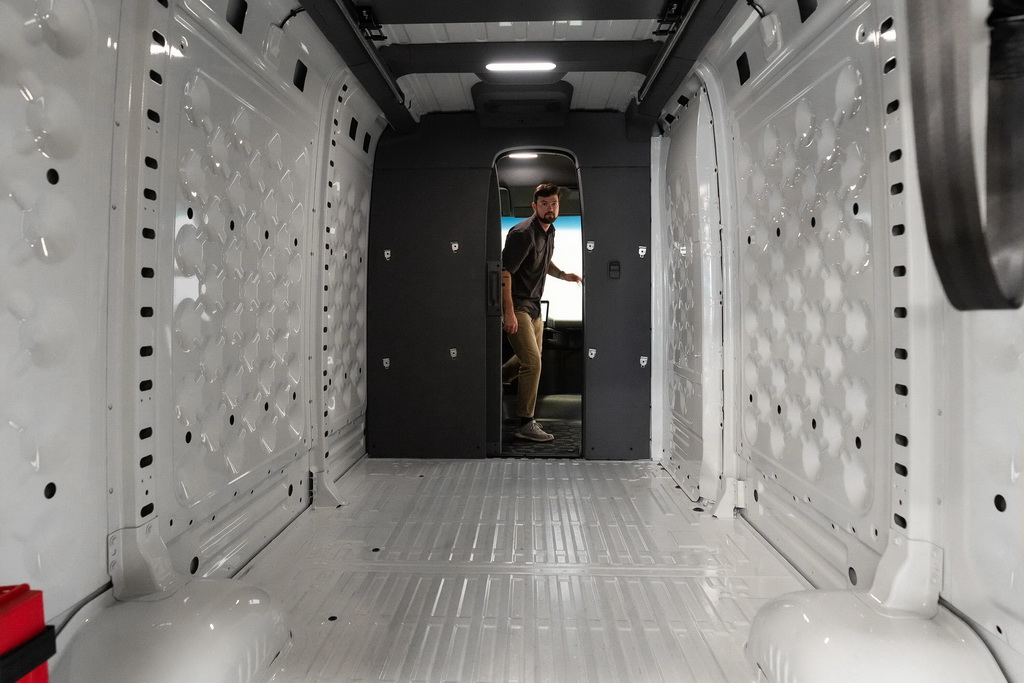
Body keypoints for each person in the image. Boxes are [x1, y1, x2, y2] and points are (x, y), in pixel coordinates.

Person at [500, 183, 582, 442]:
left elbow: (543, 261)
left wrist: (564, 275)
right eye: (544, 204)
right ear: (534, 206)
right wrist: (508, 313)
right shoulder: (522, 233)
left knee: (526, 359)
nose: (550, 209)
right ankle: (526, 423)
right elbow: (504, 272)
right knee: (533, 363)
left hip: (534, 306)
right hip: (518, 305)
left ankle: (492, 382)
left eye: (554, 204)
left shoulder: (549, 231)